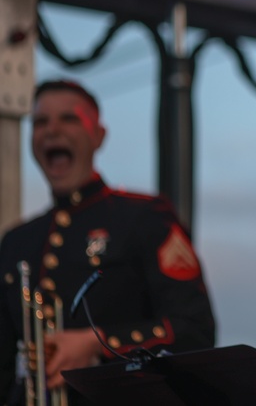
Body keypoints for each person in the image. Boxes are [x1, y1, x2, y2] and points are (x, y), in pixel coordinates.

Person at [0, 79, 216, 405]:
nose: (52, 130)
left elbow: (194, 330)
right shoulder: (17, 241)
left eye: (68, 118)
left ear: (98, 136)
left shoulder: (144, 216)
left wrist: (97, 343)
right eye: (40, 122)